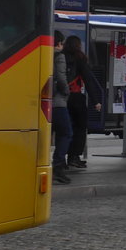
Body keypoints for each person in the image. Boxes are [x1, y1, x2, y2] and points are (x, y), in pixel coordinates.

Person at [63, 35, 104, 170]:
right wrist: (95, 101)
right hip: (76, 98)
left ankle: (61, 158)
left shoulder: (59, 57)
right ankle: (74, 157)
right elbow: (88, 80)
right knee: (80, 128)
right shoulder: (80, 58)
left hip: (62, 98)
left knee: (64, 129)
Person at [51, 30, 72, 185]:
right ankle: (58, 166)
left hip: (43, 102)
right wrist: (66, 92)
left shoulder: (41, 53)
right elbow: (61, 78)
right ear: (59, 43)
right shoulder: (59, 56)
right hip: (57, 103)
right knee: (66, 132)